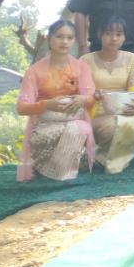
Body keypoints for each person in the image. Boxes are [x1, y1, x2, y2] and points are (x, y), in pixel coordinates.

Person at [16, 20, 95, 182]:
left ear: (74, 40)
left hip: (74, 120)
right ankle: (47, 167)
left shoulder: (81, 67)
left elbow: (91, 98)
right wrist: (47, 104)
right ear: (49, 38)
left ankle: (56, 173)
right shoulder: (34, 71)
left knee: (79, 128)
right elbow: (21, 108)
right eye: (59, 37)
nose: (64, 42)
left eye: (69, 38)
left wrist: (82, 99)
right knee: (55, 134)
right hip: (44, 125)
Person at [80, 16, 134, 174]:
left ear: (124, 37)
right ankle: (110, 158)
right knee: (114, 127)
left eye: (119, 34)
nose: (114, 38)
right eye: (108, 33)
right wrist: (94, 95)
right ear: (100, 35)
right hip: (96, 113)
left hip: (126, 110)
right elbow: (82, 93)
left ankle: (101, 158)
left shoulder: (130, 58)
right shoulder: (86, 60)